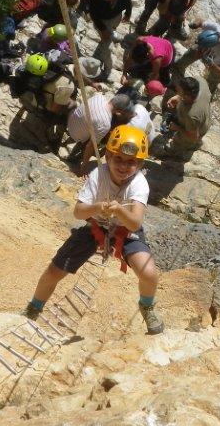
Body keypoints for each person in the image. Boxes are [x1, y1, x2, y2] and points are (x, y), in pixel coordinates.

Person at [24, 124, 164, 335]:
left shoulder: (139, 183)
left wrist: (118, 211)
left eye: (131, 162)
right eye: (118, 159)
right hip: (97, 226)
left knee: (149, 273)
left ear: (140, 163)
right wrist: (97, 207)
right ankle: (34, 308)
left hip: (124, 231)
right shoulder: (99, 175)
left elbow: (135, 223)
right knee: (54, 271)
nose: (124, 166)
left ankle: (147, 305)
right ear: (108, 155)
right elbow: (79, 212)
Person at [67, 92, 155, 171]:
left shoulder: (99, 97)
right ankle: (79, 157)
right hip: (151, 134)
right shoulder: (140, 108)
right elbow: (91, 145)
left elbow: (115, 142)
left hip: (142, 143)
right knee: (102, 134)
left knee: (111, 139)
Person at [172, 20, 220, 94]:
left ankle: (206, 93)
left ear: (211, 46)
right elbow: (200, 22)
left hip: (216, 63)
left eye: (202, 47)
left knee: (213, 79)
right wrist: (194, 24)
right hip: (204, 47)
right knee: (192, 52)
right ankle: (178, 68)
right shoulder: (214, 27)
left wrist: (212, 65)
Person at [87, 0, 132, 78]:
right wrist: (103, 29)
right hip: (102, 20)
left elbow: (128, 1)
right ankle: (107, 70)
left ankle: (111, 33)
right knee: (107, 45)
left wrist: (128, 14)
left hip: (115, 15)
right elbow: (93, 13)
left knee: (112, 29)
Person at [161, 75, 212, 155]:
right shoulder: (200, 81)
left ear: (187, 96)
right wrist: (179, 97)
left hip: (198, 128)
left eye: (179, 90)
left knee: (182, 140)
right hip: (205, 116)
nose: (177, 89)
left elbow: (193, 136)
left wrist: (177, 128)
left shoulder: (191, 114)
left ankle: (178, 150)